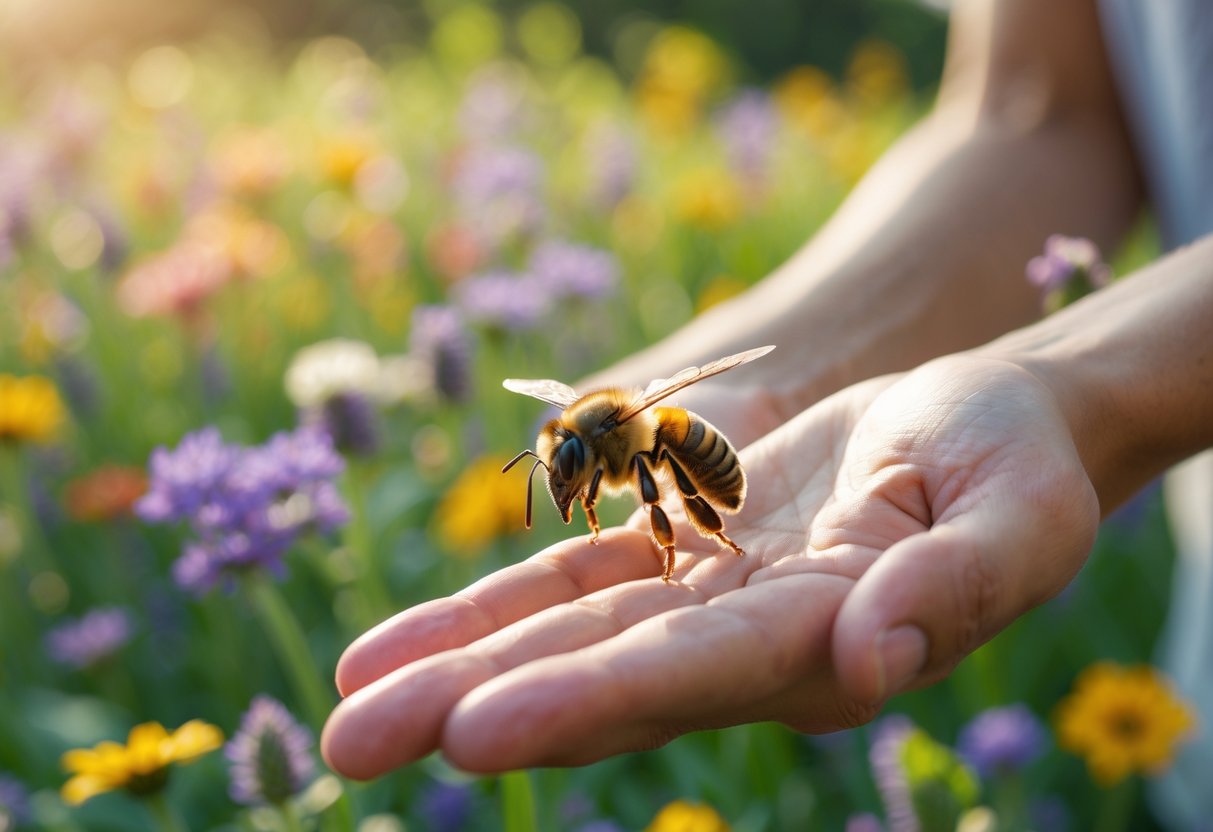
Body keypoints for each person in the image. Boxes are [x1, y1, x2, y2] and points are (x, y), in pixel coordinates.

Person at [322, 0, 1213, 825]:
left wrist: (1081, 381)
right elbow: (1039, 110)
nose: (570, 486)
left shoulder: (631, 439)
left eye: (573, 473)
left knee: (673, 466)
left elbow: (653, 452)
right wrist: (798, 371)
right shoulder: (588, 436)